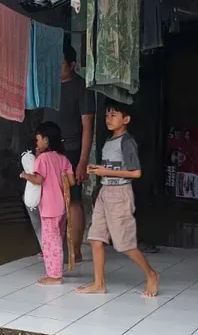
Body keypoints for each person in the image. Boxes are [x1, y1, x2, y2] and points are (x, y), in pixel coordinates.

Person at [78, 100, 161, 297]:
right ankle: (99, 284)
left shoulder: (127, 142)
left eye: (113, 115)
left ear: (126, 119)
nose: (109, 119)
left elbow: (136, 173)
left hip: (120, 195)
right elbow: (113, 168)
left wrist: (105, 171)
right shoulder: (109, 141)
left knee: (124, 244)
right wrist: (98, 170)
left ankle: (151, 274)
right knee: (96, 239)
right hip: (105, 193)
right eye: (107, 115)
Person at [44, 43, 95, 267]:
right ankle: (53, 247)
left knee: (73, 199)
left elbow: (87, 126)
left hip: (71, 149)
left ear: (72, 65)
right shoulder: (48, 85)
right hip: (49, 150)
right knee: (49, 199)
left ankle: (75, 251)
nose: (57, 68)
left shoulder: (81, 88)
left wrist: (83, 161)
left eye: (62, 64)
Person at [20, 121, 75, 285]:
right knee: (57, 237)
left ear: (46, 140)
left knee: (51, 242)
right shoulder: (62, 158)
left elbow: (38, 179)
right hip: (62, 207)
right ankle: (56, 271)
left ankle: (55, 275)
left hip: (49, 208)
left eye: (38, 140)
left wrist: (24, 175)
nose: (36, 143)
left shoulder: (43, 158)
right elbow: (71, 181)